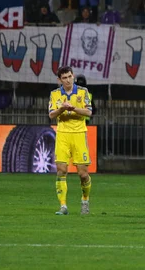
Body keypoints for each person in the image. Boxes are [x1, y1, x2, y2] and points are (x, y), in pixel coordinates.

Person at [48, 66, 93, 215]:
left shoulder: (82, 92)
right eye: (64, 78)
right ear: (59, 80)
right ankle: (63, 206)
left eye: (69, 76)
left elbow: (88, 112)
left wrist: (73, 108)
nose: (68, 80)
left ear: (73, 76)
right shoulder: (54, 94)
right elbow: (51, 115)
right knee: (61, 170)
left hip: (79, 134)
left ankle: (85, 200)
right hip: (62, 135)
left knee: (83, 174)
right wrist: (61, 109)